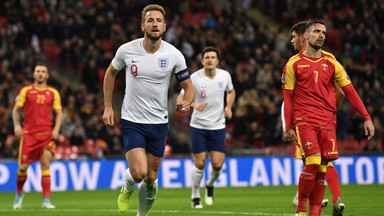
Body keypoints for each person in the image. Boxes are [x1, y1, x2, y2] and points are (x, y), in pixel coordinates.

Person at [102, 4, 194, 216]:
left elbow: (188, 86)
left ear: (165, 26)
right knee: (139, 172)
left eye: (159, 21)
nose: (155, 24)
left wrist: (187, 101)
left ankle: (141, 215)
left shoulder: (174, 55)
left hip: (159, 122)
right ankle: (127, 186)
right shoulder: (126, 50)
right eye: (150, 20)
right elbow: (110, 74)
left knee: (151, 178)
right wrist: (108, 106)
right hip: (132, 120)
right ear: (142, 25)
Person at [282, 20, 375, 216]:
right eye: (316, 31)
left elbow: (349, 91)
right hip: (305, 121)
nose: (321, 35)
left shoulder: (331, 62)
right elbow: (288, 97)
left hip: (327, 123)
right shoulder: (293, 64)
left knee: (322, 171)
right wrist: (288, 125)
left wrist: (366, 116)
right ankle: (300, 210)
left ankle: (315, 212)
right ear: (306, 36)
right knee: (313, 162)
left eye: (323, 32)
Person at [282, 21, 346, 215]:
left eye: (293, 37)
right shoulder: (303, 62)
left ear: (303, 37)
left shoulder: (315, 61)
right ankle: (326, 203)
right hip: (321, 120)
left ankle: (303, 206)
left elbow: (289, 99)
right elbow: (340, 93)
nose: (292, 41)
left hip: (306, 121)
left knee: (314, 163)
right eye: (317, 31)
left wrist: (289, 124)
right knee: (320, 165)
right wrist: (330, 112)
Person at [177, 46, 236, 208]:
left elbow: (231, 92)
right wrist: (194, 103)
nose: (210, 60)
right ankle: (195, 194)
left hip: (218, 126)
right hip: (199, 126)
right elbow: (182, 96)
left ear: (217, 61)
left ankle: (209, 184)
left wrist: (228, 106)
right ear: (202, 61)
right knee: (200, 163)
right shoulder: (194, 78)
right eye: (207, 57)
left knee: (217, 165)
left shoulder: (225, 76)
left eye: (213, 57)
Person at [12, 62, 63, 209]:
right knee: (22, 167)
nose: (40, 74)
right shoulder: (26, 91)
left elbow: (59, 113)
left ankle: (46, 200)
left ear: (47, 75)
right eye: (38, 71)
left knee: (45, 164)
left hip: (47, 135)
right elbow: (16, 110)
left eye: (43, 72)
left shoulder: (53, 92)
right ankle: (19, 193)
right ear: (34, 74)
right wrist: (16, 125)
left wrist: (56, 129)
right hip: (29, 135)